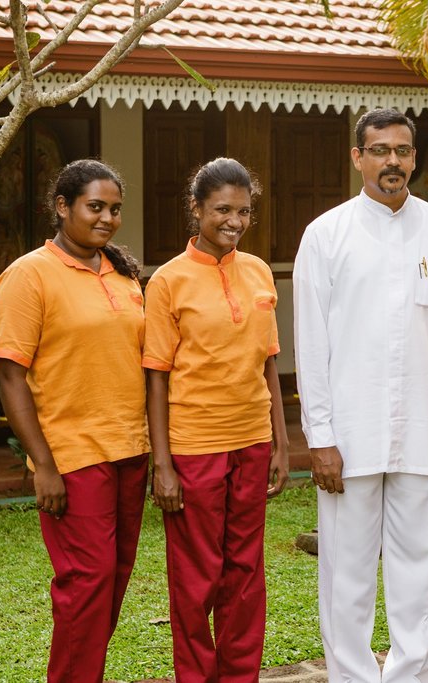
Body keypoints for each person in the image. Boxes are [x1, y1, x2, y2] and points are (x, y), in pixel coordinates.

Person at [293, 108, 428, 683]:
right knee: (346, 576)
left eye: (402, 150)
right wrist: (320, 437)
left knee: (418, 575)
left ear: (414, 157)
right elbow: (312, 344)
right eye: (379, 150)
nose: (392, 161)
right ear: (358, 158)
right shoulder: (326, 235)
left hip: (425, 435)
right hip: (348, 438)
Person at [0, 159, 148, 683]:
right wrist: (43, 464)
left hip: (130, 449)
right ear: (63, 207)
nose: (107, 218)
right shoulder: (29, 274)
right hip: (73, 456)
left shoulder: (123, 275)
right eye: (95, 206)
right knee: (87, 584)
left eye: (115, 209)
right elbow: (9, 374)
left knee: (114, 579)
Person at [142, 157, 289, 683]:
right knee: (195, 578)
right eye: (223, 209)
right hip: (193, 446)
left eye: (244, 211)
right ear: (197, 208)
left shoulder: (259, 271)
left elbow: (268, 361)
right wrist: (162, 463)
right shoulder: (167, 281)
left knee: (245, 573)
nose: (234, 221)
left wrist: (280, 442)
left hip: (252, 441)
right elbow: (156, 375)